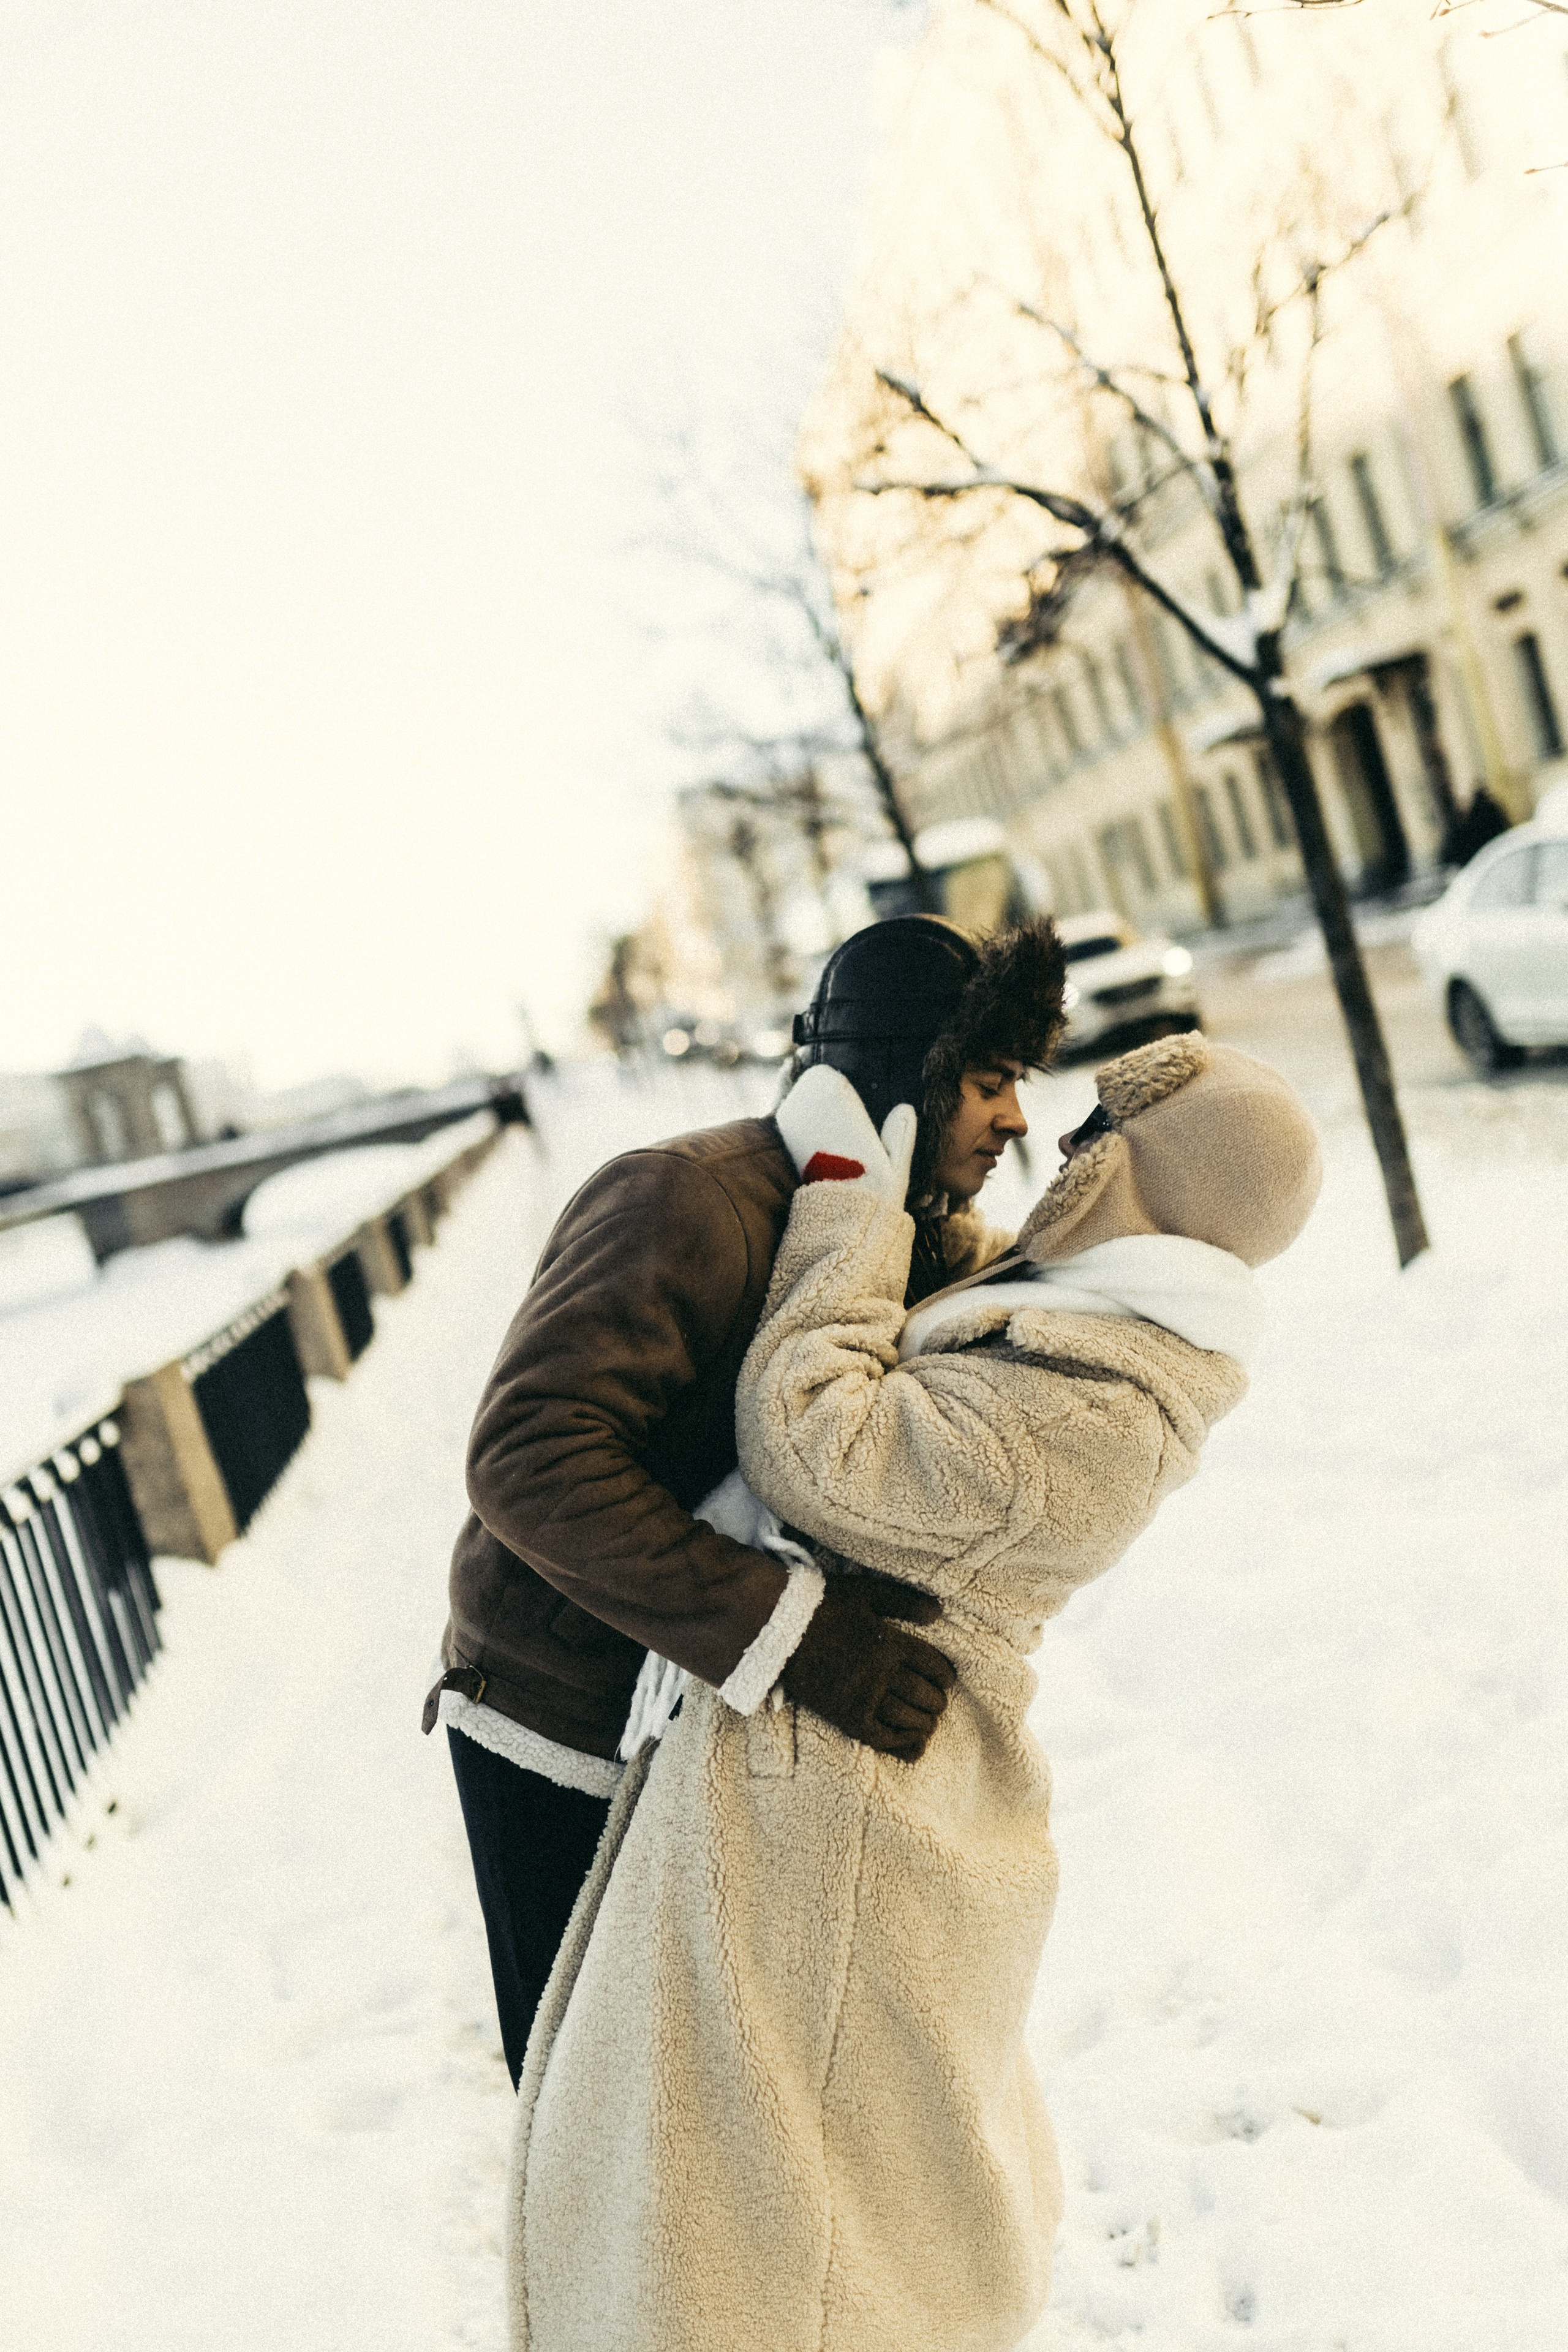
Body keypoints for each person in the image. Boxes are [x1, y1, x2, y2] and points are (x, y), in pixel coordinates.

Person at [506, 1030, 1322, 2352]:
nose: (1053, 1151)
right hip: (819, 1779)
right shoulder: (1096, 1314)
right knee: (757, 2168)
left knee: (781, 2208)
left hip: (845, 1807)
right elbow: (954, 1326)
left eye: (1091, 1139)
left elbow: (810, 1435)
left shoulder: (1110, 1403)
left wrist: (844, 1191)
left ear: (1161, 1182)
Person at [423, 912, 1068, 2087]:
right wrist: (804, 1640)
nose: (1016, 1118)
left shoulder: (919, 1236)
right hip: (561, 1716)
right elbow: (529, 1455)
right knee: (595, 2098)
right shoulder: (684, 1201)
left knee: (720, 2100)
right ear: (902, 1078)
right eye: (987, 1083)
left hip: (713, 1720)